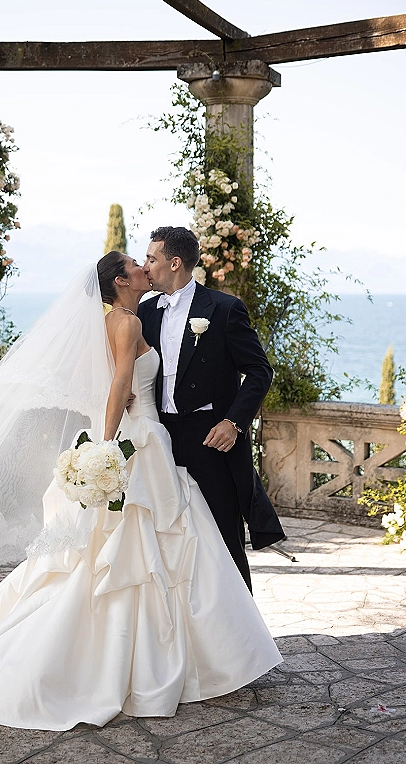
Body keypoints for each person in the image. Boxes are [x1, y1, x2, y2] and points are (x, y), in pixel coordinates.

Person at [0, 256, 282, 731]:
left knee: (140, 548)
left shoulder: (120, 318)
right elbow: (121, 383)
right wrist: (108, 449)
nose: (145, 267)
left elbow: (114, 384)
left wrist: (113, 425)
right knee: (143, 546)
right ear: (120, 282)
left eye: (148, 259)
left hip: (146, 435)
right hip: (138, 441)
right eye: (136, 264)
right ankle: (176, 659)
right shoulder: (127, 321)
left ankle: (195, 654)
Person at [138, 227, 285, 591]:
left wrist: (233, 422)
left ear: (174, 263)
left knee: (223, 537)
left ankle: (240, 635)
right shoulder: (145, 312)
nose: (145, 267)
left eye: (152, 259)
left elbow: (259, 371)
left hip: (209, 438)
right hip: (159, 437)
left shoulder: (222, 309)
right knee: (166, 536)